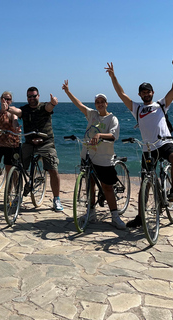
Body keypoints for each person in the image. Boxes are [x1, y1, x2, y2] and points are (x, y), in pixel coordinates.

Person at [105, 54, 173, 228]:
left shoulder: (161, 104)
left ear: (152, 93)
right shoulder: (137, 108)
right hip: (148, 148)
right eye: (143, 92)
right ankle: (140, 217)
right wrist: (113, 77)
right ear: (139, 94)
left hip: (165, 143)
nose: (146, 94)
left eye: (149, 91)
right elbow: (121, 93)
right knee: (145, 184)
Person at [62, 80, 125, 230]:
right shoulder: (92, 115)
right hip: (88, 154)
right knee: (89, 184)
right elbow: (79, 105)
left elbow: (113, 135)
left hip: (104, 158)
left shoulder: (112, 118)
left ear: (107, 104)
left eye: (102, 102)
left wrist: (100, 135)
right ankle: (91, 212)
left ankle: (115, 216)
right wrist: (68, 92)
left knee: (107, 187)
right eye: (97, 102)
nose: (99, 104)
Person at [7, 87, 64, 211]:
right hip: (29, 143)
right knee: (17, 168)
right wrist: (7, 107)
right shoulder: (24, 109)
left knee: (53, 169)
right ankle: (18, 195)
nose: (32, 99)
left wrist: (53, 103)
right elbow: (16, 111)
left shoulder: (43, 107)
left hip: (46, 143)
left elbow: (49, 107)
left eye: (34, 96)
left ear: (38, 96)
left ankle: (56, 199)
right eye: (29, 96)